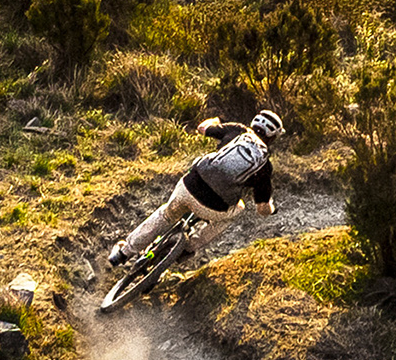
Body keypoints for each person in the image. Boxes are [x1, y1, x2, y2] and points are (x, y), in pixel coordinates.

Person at [94, 109, 285, 275]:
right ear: (273, 137)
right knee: (239, 210)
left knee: (167, 214)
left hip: (188, 187)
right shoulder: (264, 166)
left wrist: (215, 121)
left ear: (254, 123)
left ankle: (123, 253)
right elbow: (262, 208)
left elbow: (202, 128)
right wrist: (272, 210)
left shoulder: (238, 131)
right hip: (214, 208)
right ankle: (189, 248)